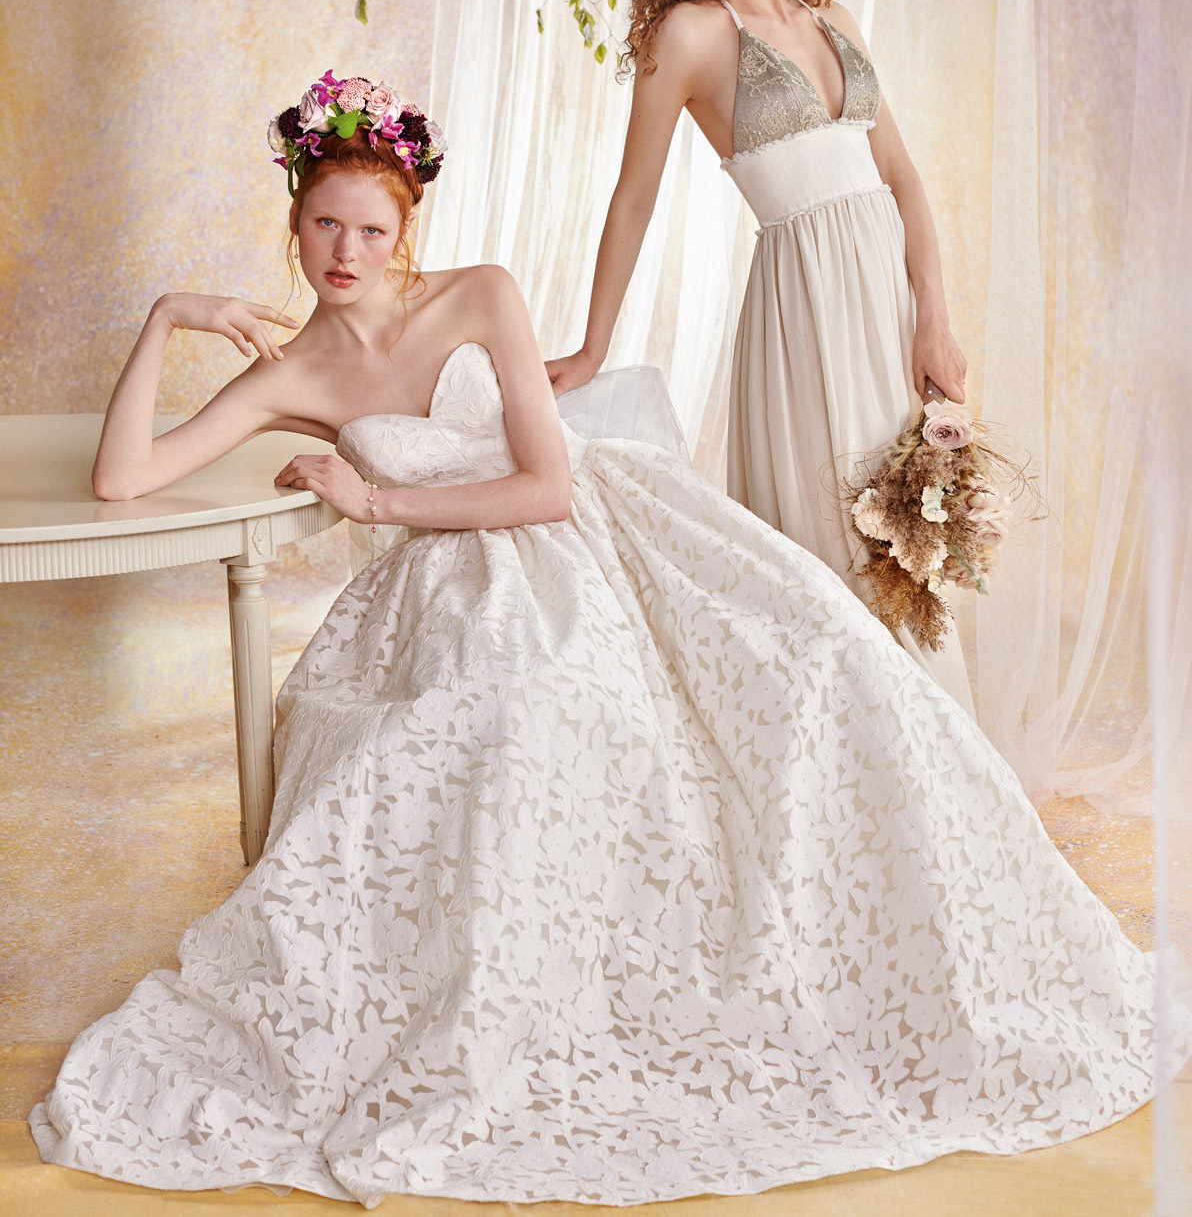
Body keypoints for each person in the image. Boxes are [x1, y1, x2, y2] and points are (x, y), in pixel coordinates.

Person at [31, 74, 1187, 1206]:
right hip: (454, 584)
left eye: (371, 229)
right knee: (515, 712)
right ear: (295, 223)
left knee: (820, 659)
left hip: (597, 530)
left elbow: (543, 485)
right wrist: (170, 316)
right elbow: (124, 477)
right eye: (326, 224)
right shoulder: (291, 374)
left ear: (404, 229)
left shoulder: (477, 295)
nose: (347, 251)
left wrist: (375, 500)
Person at [545, 0, 971, 702]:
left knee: (908, 526)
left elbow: (901, 178)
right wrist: (592, 347)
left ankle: (932, 735)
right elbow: (633, 198)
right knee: (836, 526)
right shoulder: (691, 34)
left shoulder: (835, 19)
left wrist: (934, 316)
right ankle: (845, 738)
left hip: (888, 302)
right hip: (804, 303)